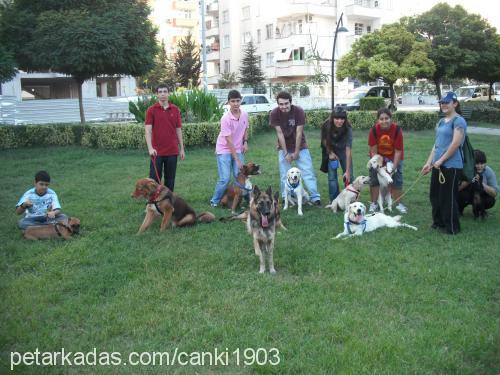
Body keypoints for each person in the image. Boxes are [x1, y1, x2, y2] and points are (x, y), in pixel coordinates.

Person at [422, 91, 466, 235]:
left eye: (447, 102)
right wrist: (429, 162)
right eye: (442, 102)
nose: (444, 105)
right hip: (437, 165)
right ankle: (438, 222)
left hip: (452, 166)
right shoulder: (441, 121)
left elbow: (455, 144)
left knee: (448, 197)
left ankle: (452, 228)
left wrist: (440, 161)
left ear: (455, 104)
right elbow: (437, 145)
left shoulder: (459, 121)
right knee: (435, 195)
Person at [270, 91, 321, 205]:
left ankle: (315, 197)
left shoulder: (298, 111)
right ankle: (285, 197)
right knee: (284, 173)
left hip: (300, 146)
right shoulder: (274, 113)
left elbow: (299, 132)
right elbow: (280, 134)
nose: (283, 107)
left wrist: (297, 152)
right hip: (283, 147)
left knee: (308, 172)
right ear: (278, 104)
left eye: (286, 103)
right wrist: (285, 153)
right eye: (281, 104)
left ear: (291, 102)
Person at [210, 90, 249, 207]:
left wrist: (245, 142)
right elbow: (229, 141)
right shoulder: (225, 118)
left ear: (240, 101)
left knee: (240, 175)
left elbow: (246, 128)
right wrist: (236, 159)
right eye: (233, 101)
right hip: (224, 149)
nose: (236, 103)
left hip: (238, 148)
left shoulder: (245, 114)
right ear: (228, 102)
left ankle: (242, 198)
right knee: (225, 178)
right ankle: (215, 201)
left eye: (238, 101)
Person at [144, 84, 185, 192]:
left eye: (165, 91)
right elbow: (147, 131)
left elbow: (178, 130)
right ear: (157, 94)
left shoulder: (175, 110)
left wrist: (182, 148)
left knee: (170, 179)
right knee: (154, 179)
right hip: (156, 152)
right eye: (160, 92)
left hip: (172, 151)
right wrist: (150, 148)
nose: (163, 94)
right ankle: (152, 203)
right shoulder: (151, 110)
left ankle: (168, 201)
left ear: (168, 93)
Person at [367, 108, 407, 213]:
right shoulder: (374, 130)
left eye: (386, 118)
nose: (384, 121)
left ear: (391, 118)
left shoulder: (397, 130)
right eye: (381, 119)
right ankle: (374, 203)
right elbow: (373, 151)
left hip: (394, 157)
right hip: (378, 158)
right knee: (374, 178)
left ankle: (398, 203)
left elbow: (398, 151)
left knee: (397, 179)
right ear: (378, 120)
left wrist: (393, 167)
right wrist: (379, 167)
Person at [320, 109, 354, 202]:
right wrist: (330, 153)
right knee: (332, 178)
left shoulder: (348, 128)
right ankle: (334, 200)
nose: (340, 121)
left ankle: (351, 199)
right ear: (332, 118)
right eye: (337, 118)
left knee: (349, 175)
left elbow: (348, 149)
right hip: (331, 149)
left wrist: (347, 171)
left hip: (343, 150)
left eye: (342, 119)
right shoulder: (326, 125)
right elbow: (324, 140)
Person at [457, 149, 498, 214]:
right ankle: (458, 209)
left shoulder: (488, 171)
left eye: (482, 163)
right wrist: (469, 180)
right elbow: (455, 189)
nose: (479, 166)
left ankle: (478, 210)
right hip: (466, 194)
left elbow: (494, 193)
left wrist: (481, 183)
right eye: (476, 163)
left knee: (490, 200)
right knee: (460, 196)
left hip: (480, 194)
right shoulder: (464, 170)